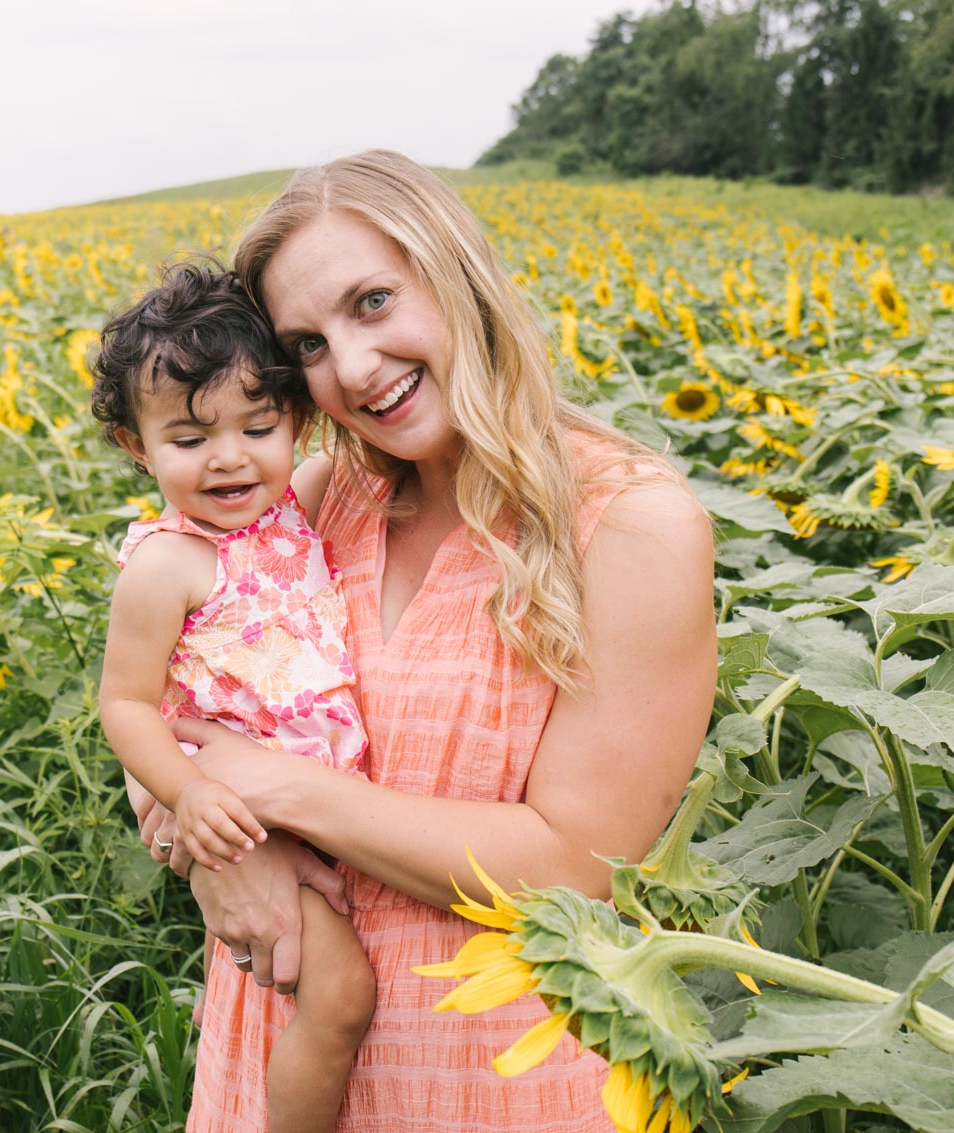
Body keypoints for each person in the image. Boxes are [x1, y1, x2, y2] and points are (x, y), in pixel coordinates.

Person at [133, 150, 716, 1132]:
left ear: (458, 279)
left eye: (372, 303)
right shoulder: (317, 504)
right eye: (307, 344)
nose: (353, 367)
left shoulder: (625, 525)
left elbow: (572, 860)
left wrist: (268, 791)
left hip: (493, 1073)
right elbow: (155, 699)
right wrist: (218, 852)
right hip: (278, 1058)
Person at [92, 262, 376, 1133]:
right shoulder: (166, 565)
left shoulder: (295, 508)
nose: (229, 458)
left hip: (327, 807)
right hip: (254, 821)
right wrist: (190, 795)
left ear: (295, 419)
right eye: (188, 439)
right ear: (138, 447)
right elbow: (128, 706)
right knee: (341, 998)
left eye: (258, 425)